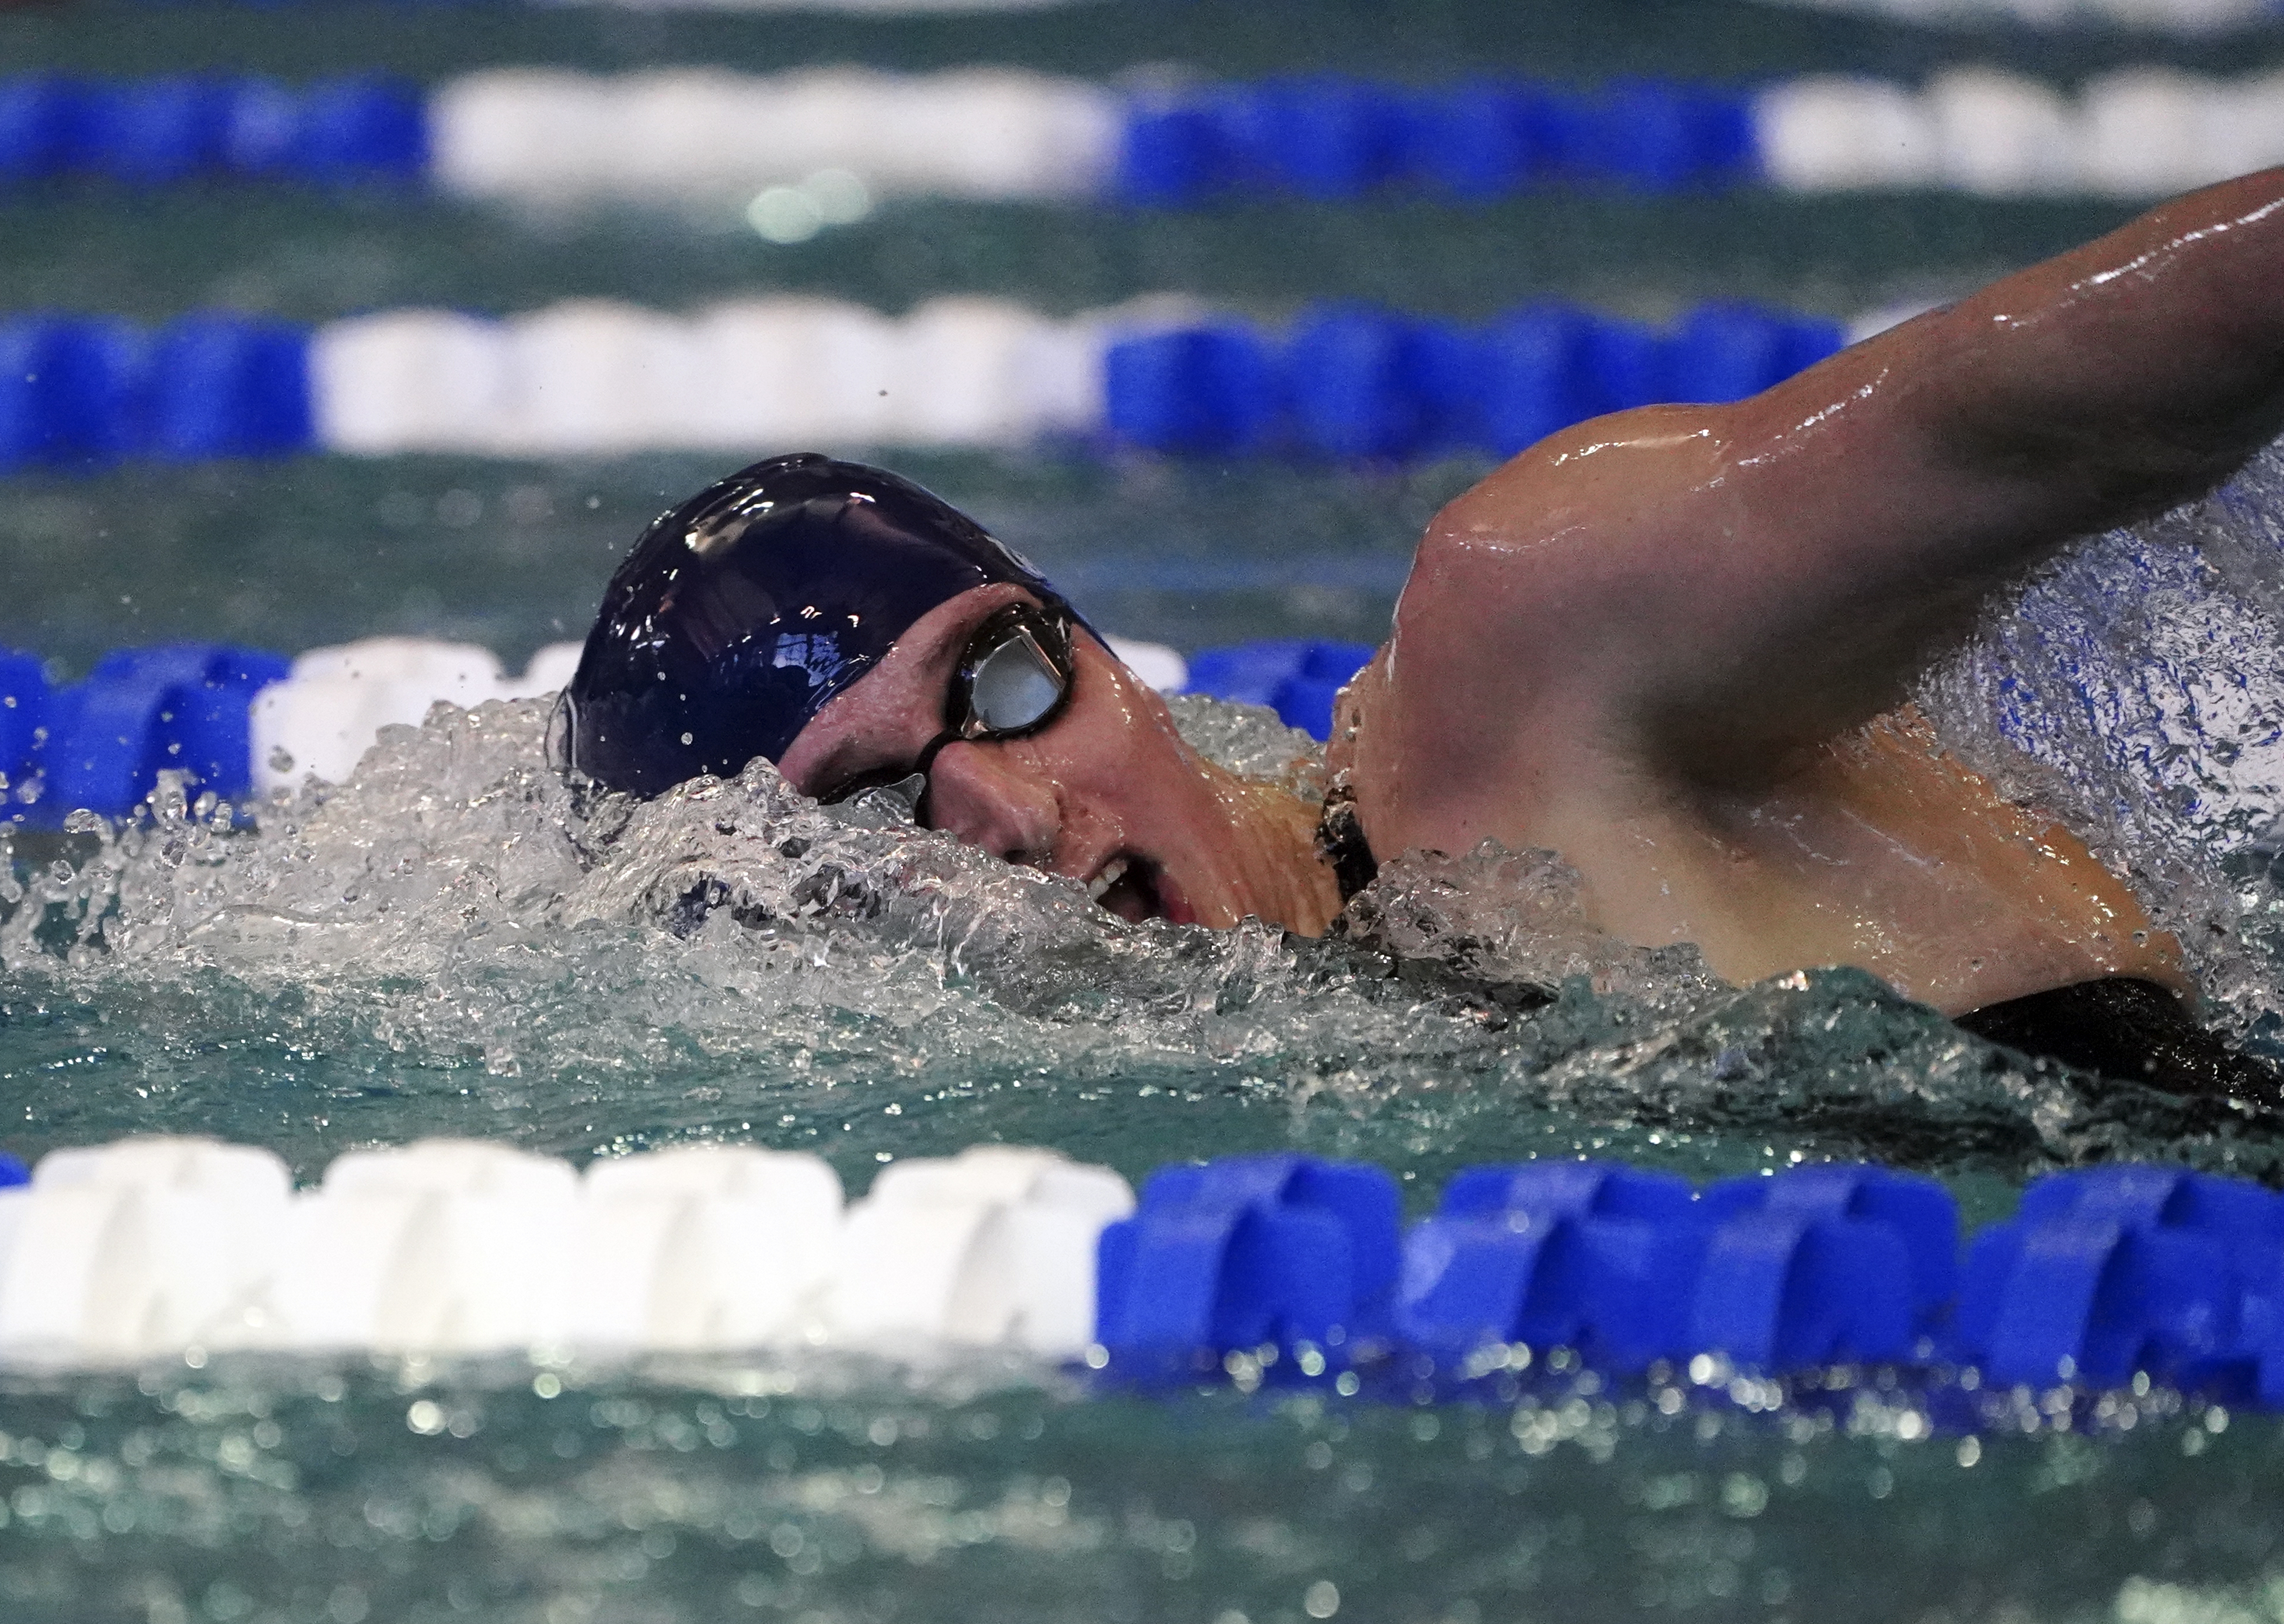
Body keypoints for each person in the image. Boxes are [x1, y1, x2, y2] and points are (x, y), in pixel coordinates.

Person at [562, 169, 2284, 1102]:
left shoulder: (1520, 673)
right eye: (873, 809)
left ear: (1103, 651)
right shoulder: (1298, 1028)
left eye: (1006, 683)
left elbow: (2017, 417)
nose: (1009, 818)